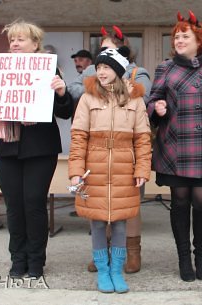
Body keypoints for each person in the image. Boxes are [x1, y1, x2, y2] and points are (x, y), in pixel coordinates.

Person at [0, 20, 73, 279]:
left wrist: (62, 92)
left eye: (21, 39)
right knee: (14, 205)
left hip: (40, 148)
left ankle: (36, 261)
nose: (15, 44)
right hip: (6, 147)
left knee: (33, 204)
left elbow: (64, 112)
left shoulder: (49, 70)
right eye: (12, 40)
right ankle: (17, 259)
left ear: (35, 44)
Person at [147, 10, 202, 282]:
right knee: (180, 202)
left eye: (185, 35)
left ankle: (201, 256)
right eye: (176, 36)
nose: (179, 39)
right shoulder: (165, 68)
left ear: (200, 40)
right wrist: (156, 108)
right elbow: (152, 100)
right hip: (175, 146)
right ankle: (184, 257)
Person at [69, 26, 152, 274]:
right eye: (102, 52)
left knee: (127, 210)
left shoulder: (138, 75)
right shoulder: (91, 87)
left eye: (111, 52)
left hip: (126, 160)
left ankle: (130, 253)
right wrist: (93, 87)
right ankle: (102, 258)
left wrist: (128, 89)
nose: (104, 62)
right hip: (97, 161)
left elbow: (143, 133)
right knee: (98, 212)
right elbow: (78, 133)